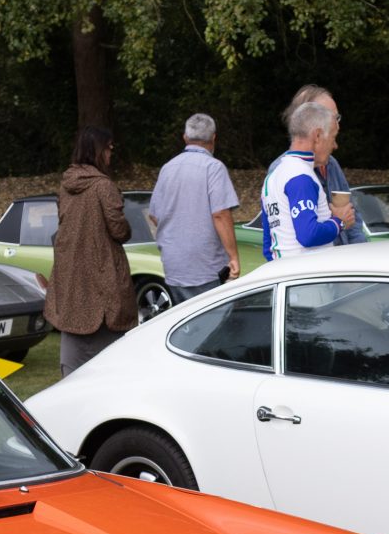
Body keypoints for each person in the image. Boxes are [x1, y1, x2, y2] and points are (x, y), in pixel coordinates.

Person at [51, 127, 138, 374]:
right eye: (109, 148)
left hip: (71, 273)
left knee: (74, 339)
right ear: (98, 151)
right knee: (109, 347)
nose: (111, 154)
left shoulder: (67, 183)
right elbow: (119, 230)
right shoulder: (103, 186)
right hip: (102, 272)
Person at [146, 114, 240, 303]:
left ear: (185, 138)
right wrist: (233, 257)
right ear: (214, 138)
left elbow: (154, 215)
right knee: (211, 324)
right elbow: (220, 214)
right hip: (206, 266)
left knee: (186, 324)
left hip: (174, 266)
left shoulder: (167, 168)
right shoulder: (214, 168)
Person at [260, 98, 358, 261]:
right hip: (308, 279)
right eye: (333, 137)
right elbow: (308, 235)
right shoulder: (300, 176)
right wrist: (339, 222)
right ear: (318, 135)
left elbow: (268, 245)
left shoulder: (273, 176)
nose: (335, 146)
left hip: (286, 276)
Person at [289, 85, 368, 242]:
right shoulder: (286, 172)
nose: (337, 126)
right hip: (317, 264)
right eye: (331, 118)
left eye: (337, 117)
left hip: (343, 261)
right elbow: (305, 235)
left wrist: (362, 254)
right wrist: (337, 221)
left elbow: (354, 220)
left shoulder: (331, 164)